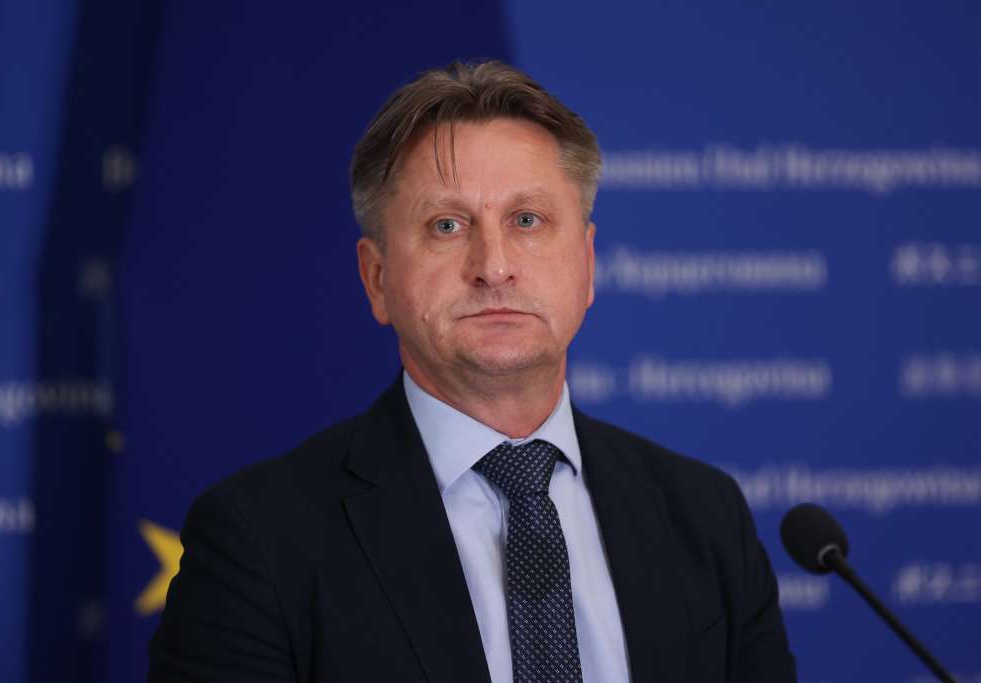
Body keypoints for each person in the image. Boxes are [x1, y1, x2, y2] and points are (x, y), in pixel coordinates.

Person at [148, 60, 797, 683]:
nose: (494, 266)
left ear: (588, 264)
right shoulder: (259, 540)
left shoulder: (706, 517)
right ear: (377, 278)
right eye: (447, 225)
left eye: (527, 220)